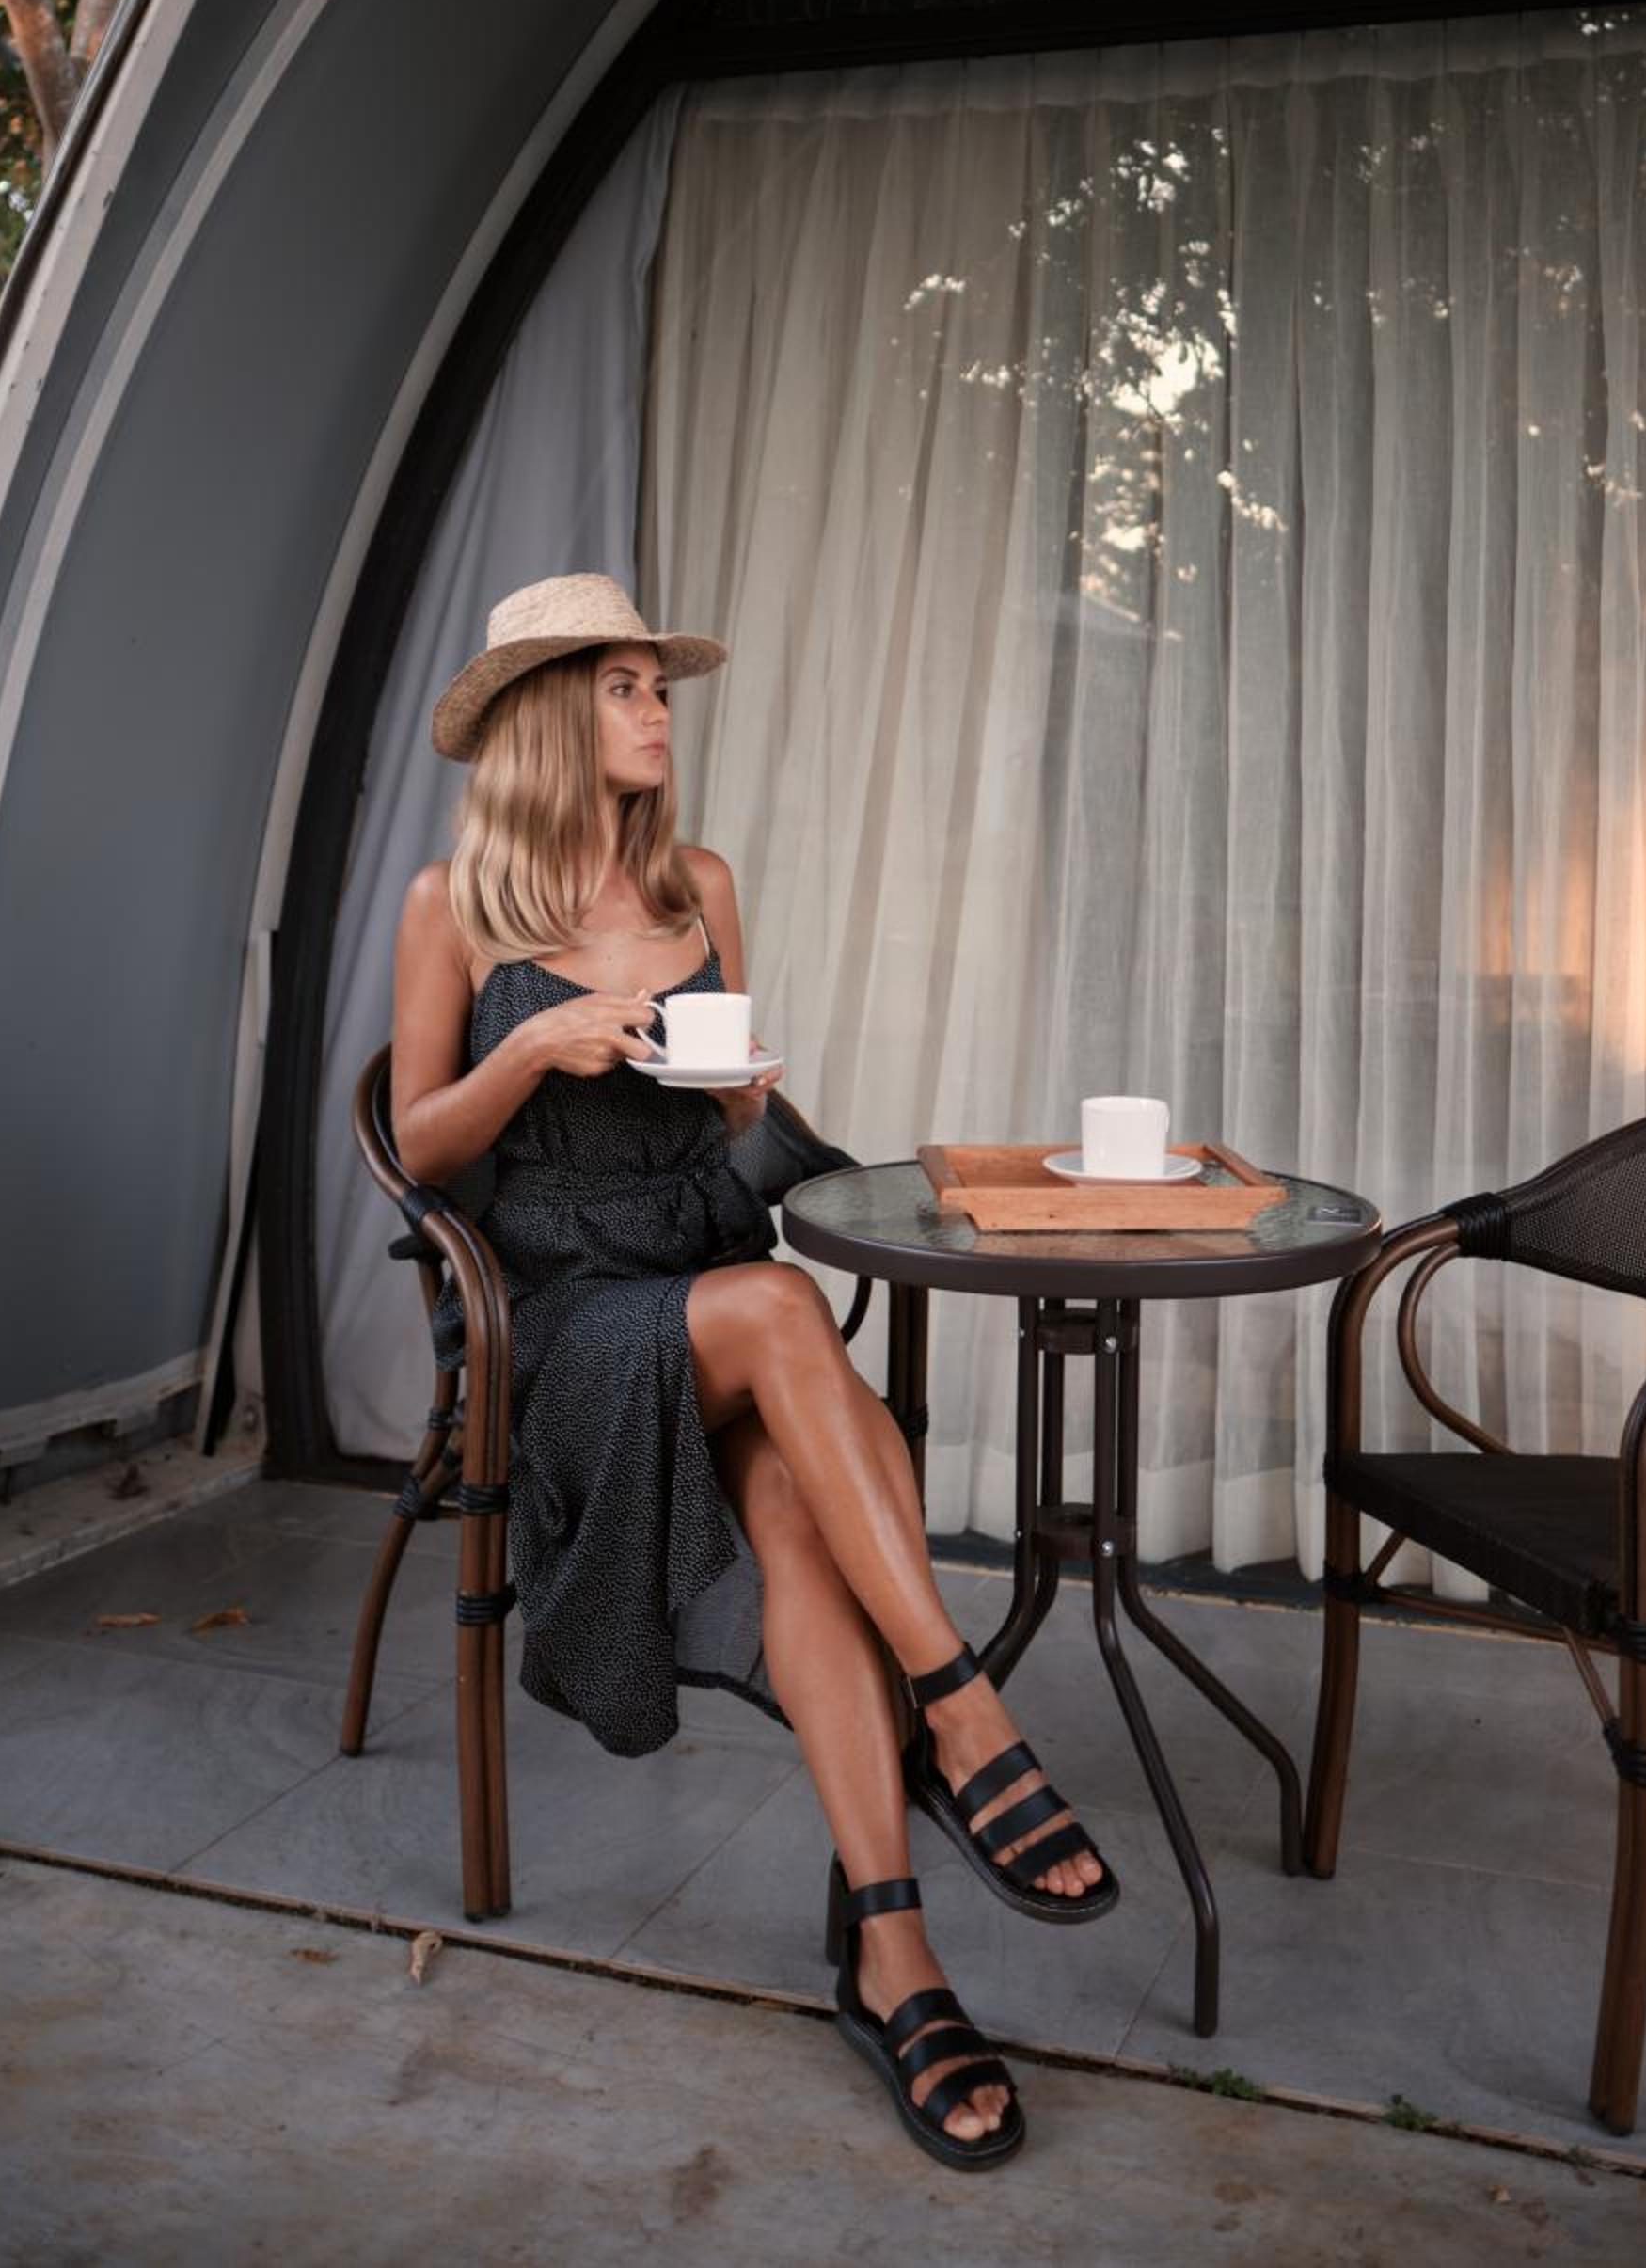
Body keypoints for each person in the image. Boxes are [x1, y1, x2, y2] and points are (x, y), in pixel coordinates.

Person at [389, 572, 1117, 2170]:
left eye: (661, 688)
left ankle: (893, 1954)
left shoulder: (703, 884)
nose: (659, 712)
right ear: (549, 714)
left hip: (698, 1269)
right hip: (564, 1319)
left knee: (793, 1508)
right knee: (787, 1315)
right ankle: (964, 1709)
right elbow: (420, 1147)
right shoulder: (456, 904)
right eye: (627, 687)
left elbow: (732, 1134)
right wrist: (532, 1047)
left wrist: (741, 1106)